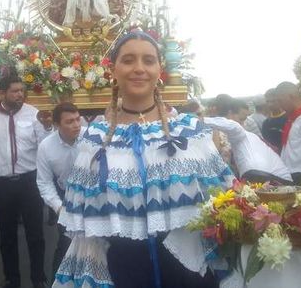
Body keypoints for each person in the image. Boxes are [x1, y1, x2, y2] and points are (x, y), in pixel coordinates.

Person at [54, 31, 238, 288]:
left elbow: (225, 201)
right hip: (123, 269)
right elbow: (87, 227)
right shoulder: (94, 140)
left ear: (159, 69)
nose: (139, 68)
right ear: (113, 70)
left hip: (187, 269)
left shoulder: (189, 132)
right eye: (128, 60)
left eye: (148, 60)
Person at [0, 74, 53, 288]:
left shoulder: (33, 113)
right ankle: (12, 279)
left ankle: (38, 278)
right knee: (7, 235)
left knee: (36, 233)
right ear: (1, 93)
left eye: (21, 91)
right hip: (2, 183)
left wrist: (48, 127)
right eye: (15, 91)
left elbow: (44, 145)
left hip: (29, 181)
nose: (19, 95)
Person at [36, 102, 84, 276]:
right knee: (66, 246)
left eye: (78, 119)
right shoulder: (46, 147)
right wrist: (58, 207)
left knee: (98, 246)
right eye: (70, 121)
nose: (77, 125)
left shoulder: (91, 137)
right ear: (57, 125)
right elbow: (44, 182)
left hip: (93, 196)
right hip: (66, 198)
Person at [216, 98, 292, 184]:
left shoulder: (243, 133)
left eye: (244, 120)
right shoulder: (216, 131)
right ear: (230, 114)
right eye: (241, 119)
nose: (243, 124)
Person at [261, 88, 287, 154]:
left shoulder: (289, 118)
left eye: (273, 101)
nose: (270, 104)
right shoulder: (266, 123)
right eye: (267, 101)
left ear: (279, 100)